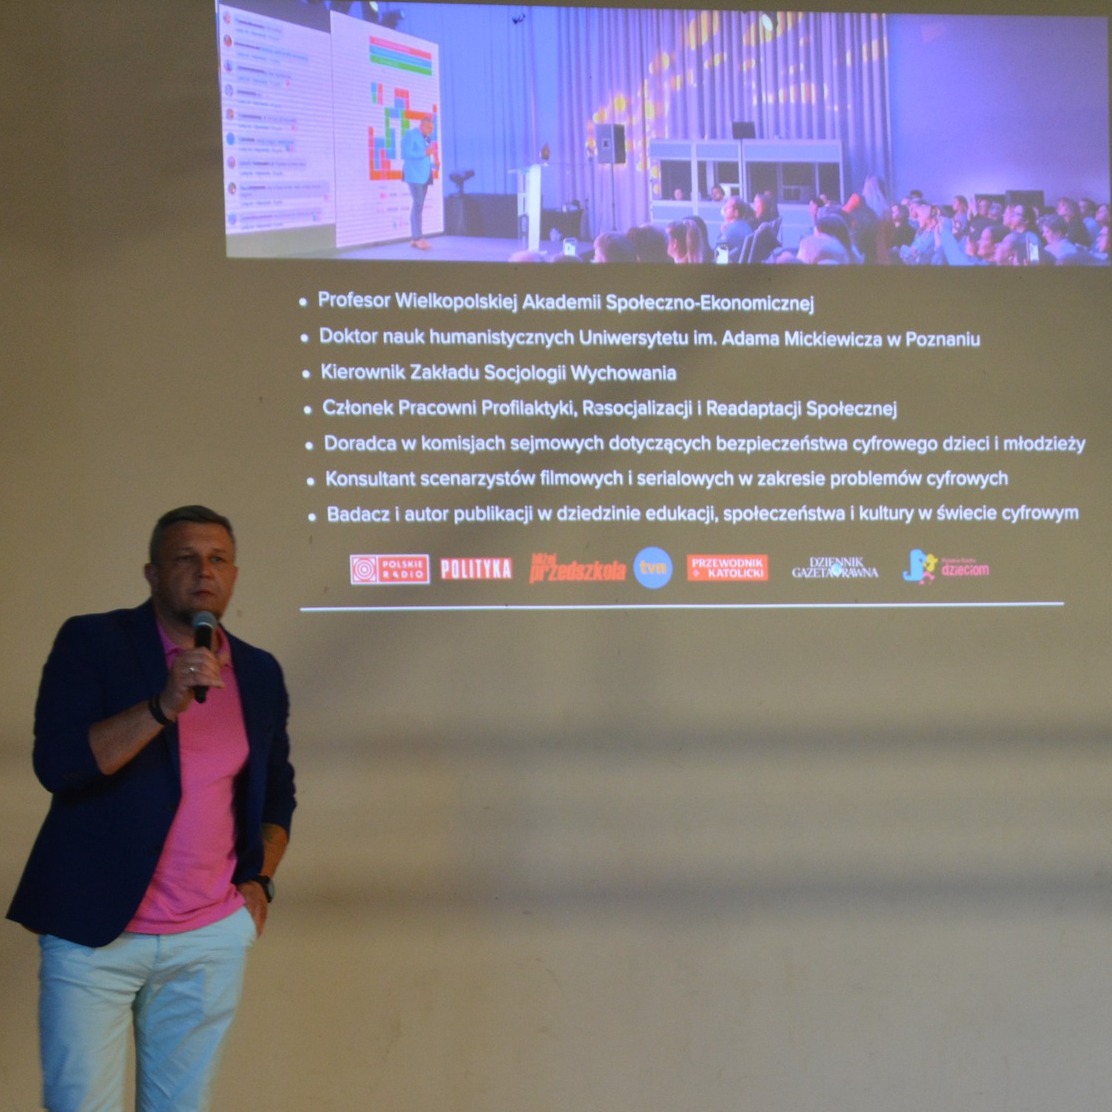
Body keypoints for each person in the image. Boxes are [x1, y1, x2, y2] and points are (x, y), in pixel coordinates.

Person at [8, 505, 297, 1112]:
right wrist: (163, 705)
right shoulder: (93, 642)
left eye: (218, 559)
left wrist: (260, 880)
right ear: (152, 573)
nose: (204, 572)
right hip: (95, 936)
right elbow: (59, 765)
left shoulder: (259, 672)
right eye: (185, 558)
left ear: (234, 575)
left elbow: (277, 792)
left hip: (207, 938)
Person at [402, 116, 437, 250]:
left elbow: (425, 158)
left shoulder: (426, 138)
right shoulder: (410, 135)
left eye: (432, 129)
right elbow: (406, 153)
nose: (431, 131)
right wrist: (424, 152)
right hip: (414, 176)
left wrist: (434, 164)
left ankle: (415, 238)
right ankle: (417, 238)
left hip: (424, 175)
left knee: (419, 206)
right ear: (422, 126)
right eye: (429, 128)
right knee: (418, 205)